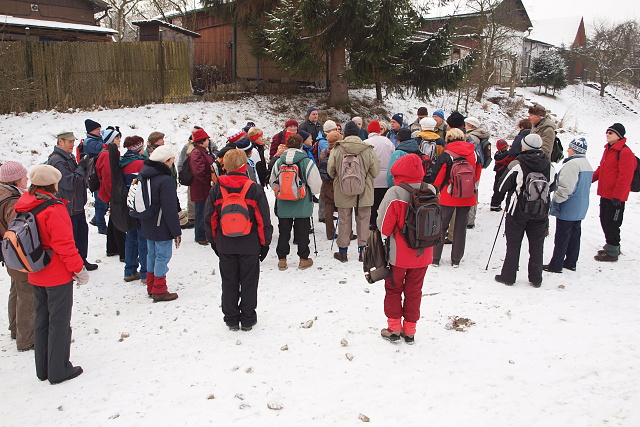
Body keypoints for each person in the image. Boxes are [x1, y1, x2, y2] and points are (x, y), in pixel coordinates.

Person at [14, 165, 89, 384]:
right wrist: (78, 269)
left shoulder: (25, 204)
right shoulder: (53, 209)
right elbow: (64, 244)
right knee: (59, 321)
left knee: (42, 319)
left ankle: (43, 368)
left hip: (35, 271)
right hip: (56, 273)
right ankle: (59, 370)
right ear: (53, 184)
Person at [204, 149, 273, 331]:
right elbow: (263, 220)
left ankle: (231, 318)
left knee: (229, 281)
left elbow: (210, 219)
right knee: (249, 281)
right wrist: (264, 243)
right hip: (249, 244)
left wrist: (214, 241)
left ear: (224, 166)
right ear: (244, 166)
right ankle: (248, 318)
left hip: (225, 243)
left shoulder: (216, 188)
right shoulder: (254, 188)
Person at [377, 153, 434, 344]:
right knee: (415, 291)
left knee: (393, 289)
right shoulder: (431, 189)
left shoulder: (395, 192)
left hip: (399, 255)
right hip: (424, 252)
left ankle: (394, 328)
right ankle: (410, 330)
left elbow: (384, 226)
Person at [494, 134, 557, 287]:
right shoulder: (549, 165)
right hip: (541, 211)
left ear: (524, 146)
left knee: (513, 244)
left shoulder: (517, 164)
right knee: (537, 245)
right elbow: (553, 186)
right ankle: (536, 278)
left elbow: (501, 187)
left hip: (517, 211)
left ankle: (508, 276)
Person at [328, 121, 381, 262]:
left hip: (342, 190)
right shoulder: (368, 148)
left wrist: (341, 179)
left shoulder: (338, 148)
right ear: (359, 134)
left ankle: (343, 252)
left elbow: (330, 171)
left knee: (344, 220)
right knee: (364, 220)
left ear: (344, 133)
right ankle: (363, 252)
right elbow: (375, 171)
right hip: (364, 190)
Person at [47, 131, 98, 271]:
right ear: (60, 142)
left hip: (76, 205)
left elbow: (78, 178)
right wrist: (81, 168)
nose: (72, 144)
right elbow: (69, 183)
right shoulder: (57, 160)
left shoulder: (68, 157)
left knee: (81, 233)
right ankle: (73, 265)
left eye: (72, 141)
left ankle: (81, 261)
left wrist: (84, 167)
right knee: (72, 237)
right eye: (68, 141)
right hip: (68, 207)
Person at [431, 128, 481, 267]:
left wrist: (439, 188)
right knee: (460, 227)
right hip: (468, 194)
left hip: (449, 194)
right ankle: (456, 259)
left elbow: (438, 177)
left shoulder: (446, 154)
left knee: (441, 226)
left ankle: (435, 258)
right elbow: (477, 174)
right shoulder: (474, 153)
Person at [270, 134, 321, 271]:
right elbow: (315, 184)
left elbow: (272, 181)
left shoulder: (279, 161)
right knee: (302, 232)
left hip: (283, 202)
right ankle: (303, 259)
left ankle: (282, 259)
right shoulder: (306, 162)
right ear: (301, 145)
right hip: (302, 202)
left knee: (284, 231)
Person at [138, 146, 181, 302]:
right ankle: (160, 290)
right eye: (171, 161)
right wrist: (176, 231)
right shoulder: (165, 180)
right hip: (161, 224)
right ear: (165, 161)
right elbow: (169, 209)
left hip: (147, 222)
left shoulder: (144, 174)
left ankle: (151, 286)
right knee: (163, 256)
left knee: (152, 255)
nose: (172, 164)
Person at [544, 138, 593, 272]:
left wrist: (556, 201)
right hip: (581, 206)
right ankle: (571, 262)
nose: (568, 150)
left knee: (562, 236)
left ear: (576, 149)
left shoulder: (572, 165)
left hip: (569, 205)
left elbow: (566, 187)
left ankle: (556, 264)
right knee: (575, 235)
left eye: (570, 148)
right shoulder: (587, 164)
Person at [0, 161, 34, 352]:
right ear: (15, 180)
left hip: (8, 253)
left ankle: (15, 328)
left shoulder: (3, 193)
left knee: (16, 289)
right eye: (23, 177)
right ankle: (26, 338)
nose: (27, 179)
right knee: (26, 293)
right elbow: (18, 231)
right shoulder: (12, 201)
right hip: (17, 253)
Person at [592, 123, 635, 262]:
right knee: (604, 220)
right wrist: (588, 179)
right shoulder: (609, 150)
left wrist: (618, 196)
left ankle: (612, 251)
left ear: (619, 135)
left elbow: (625, 176)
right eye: (607, 132)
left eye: (611, 133)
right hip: (605, 193)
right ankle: (611, 246)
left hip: (615, 197)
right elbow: (602, 169)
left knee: (612, 223)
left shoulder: (625, 152)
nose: (608, 134)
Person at [95, 126, 127, 261]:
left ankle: (112, 248)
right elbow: (108, 178)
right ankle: (122, 251)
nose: (120, 140)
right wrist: (112, 196)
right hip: (112, 193)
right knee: (119, 219)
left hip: (110, 193)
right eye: (117, 138)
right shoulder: (107, 155)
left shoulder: (109, 153)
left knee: (114, 219)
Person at [120, 136, 148, 282]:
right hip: (139, 205)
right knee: (143, 238)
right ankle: (145, 272)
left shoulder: (123, 161)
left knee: (131, 237)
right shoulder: (139, 164)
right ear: (138, 147)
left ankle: (129, 270)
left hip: (127, 204)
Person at [365, 120, 395, 228]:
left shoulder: (366, 143)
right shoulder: (388, 142)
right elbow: (393, 156)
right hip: (387, 177)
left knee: (372, 204)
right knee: (384, 203)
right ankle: (384, 223)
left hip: (372, 178)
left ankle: (372, 223)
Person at [464, 116, 491, 229]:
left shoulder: (471, 137)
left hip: (471, 169)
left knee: (469, 193)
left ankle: (469, 220)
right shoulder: (481, 135)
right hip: (477, 169)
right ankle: (471, 219)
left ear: (470, 126)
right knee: (474, 192)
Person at [189, 128, 214, 245]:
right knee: (201, 211)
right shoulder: (197, 153)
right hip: (201, 187)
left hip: (203, 186)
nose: (208, 141)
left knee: (204, 210)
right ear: (202, 141)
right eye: (206, 139)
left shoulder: (202, 151)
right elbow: (198, 171)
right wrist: (207, 180)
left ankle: (203, 234)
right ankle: (200, 235)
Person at [83, 119, 107, 234]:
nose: (100, 131)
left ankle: (96, 219)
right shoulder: (89, 142)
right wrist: (108, 140)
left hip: (98, 174)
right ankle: (101, 227)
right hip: (95, 177)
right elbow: (102, 149)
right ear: (91, 130)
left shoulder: (96, 140)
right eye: (98, 129)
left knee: (103, 200)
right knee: (100, 201)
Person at [319, 131, 342, 239]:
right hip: (338, 182)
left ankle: (330, 233)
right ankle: (346, 233)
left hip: (326, 183)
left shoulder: (324, 151)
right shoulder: (339, 151)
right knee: (343, 208)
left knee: (329, 207)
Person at [489, 139, 514, 211]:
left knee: (503, 189)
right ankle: (494, 204)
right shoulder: (498, 154)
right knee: (497, 189)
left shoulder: (508, 154)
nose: (505, 148)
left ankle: (499, 203)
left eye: (506, 146)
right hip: (499, 173)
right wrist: (510, 152)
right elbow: (500, 159)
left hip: (506, 172)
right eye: (503, 147)